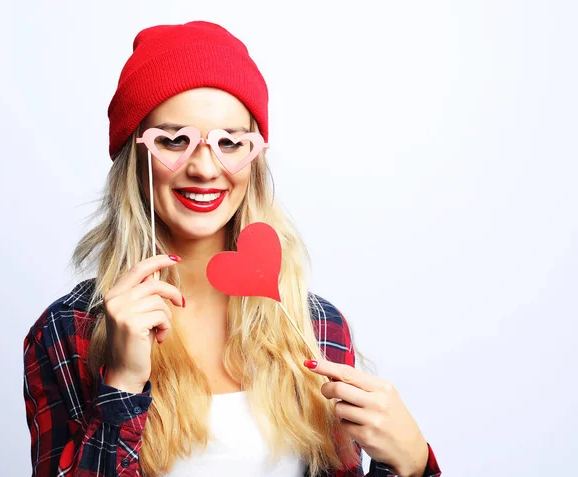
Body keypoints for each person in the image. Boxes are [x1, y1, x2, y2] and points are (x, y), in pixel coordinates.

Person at [23, 21, 442, 477]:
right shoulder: (69, 332)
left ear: (255, 157)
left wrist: (412, 463)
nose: (205, 167)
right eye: (173, 140)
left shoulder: (316, 326)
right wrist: (122, 384)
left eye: (230, 142)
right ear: (135, 154)